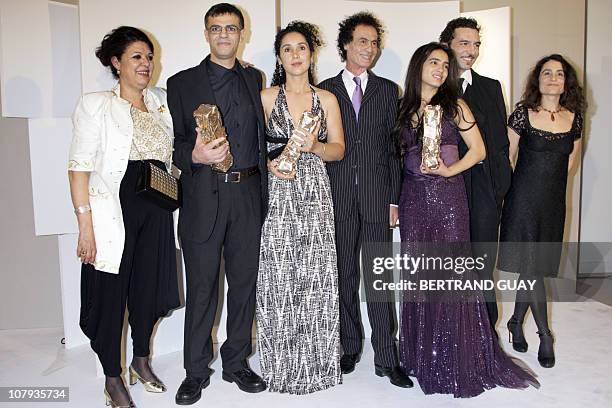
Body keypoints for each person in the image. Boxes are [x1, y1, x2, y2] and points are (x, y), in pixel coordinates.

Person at [395, 42, 539, 397]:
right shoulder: (404, 108)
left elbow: (479, 151)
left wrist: (448, 172)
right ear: (419, 66)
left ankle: (458, 356)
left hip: (448, 199)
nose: (441, 69)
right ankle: (422, 354)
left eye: (445, 65)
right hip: (413, 200)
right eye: (434, 63)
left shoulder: (455, 105)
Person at [68, 26, 180, 407]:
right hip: (114, 211)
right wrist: (85, 226)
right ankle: (112, 378)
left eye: (149, 56)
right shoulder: (96, 103)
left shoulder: (162, 102)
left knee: (147, 291)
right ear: (116, 63)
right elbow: (79, 167)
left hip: (157, 209)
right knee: (110, 296)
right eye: (136, 57)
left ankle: (141, 361)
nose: (146, 63)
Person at [167, 3, 268, 405]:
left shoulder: (254, 77)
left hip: (247, 194)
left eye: (231, 28)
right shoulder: (181, 83)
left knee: (244, 287)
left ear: (242, 34)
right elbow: (171, 143)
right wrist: (194, 156)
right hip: (203, 197)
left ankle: (237, 362)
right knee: (203, 289)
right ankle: (195, 371)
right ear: (206, 34)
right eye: (216, 28)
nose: (224, 34)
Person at [318, 12, 412, 388]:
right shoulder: (324, 90)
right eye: (362, 41)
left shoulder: (389, 90)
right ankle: (348, 346)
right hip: (337, 197)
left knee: (379, 279)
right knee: (342, 276)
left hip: (377, 198)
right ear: (345, 44)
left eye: (374, 42)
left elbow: (395, 149)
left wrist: (394, 199)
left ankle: (387, 357)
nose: (369, 48)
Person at [256, 21, 345, 394]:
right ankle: (279, 366)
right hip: (277, 189)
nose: (295, 55)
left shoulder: (326, 100)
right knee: (277, 275)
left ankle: (319, 365)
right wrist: (268, 163)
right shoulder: (264, 96)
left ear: (312, 54)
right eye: (287, 48)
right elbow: (253, 147)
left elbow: (338, 149)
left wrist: (314, 147)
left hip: (313, 190)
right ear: (279, 56)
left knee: (315, 276)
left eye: (301, 48)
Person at [499, 54, 585, 368]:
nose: (552, 78)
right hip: (523, 200)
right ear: (538, 79)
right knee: (533, 269)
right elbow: (508, 157)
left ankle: (514, 322)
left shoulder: (575, 117)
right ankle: (545, 334)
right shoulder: (522, 114)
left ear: (567, 81)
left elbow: (570, 163)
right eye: (546, 73)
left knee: (533, 267)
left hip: (552, 203)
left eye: (559, 73)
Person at [440, 17, 512, 333]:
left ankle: (486, 333)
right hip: (445, 187)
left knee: (481, 265)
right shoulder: (433, 87)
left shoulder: (492, 88)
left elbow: (499, 142)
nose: (471, 50)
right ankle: (451, 332)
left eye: (476, 44)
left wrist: (499, 188)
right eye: (464, 43)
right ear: (447, 45)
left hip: (484, 189)